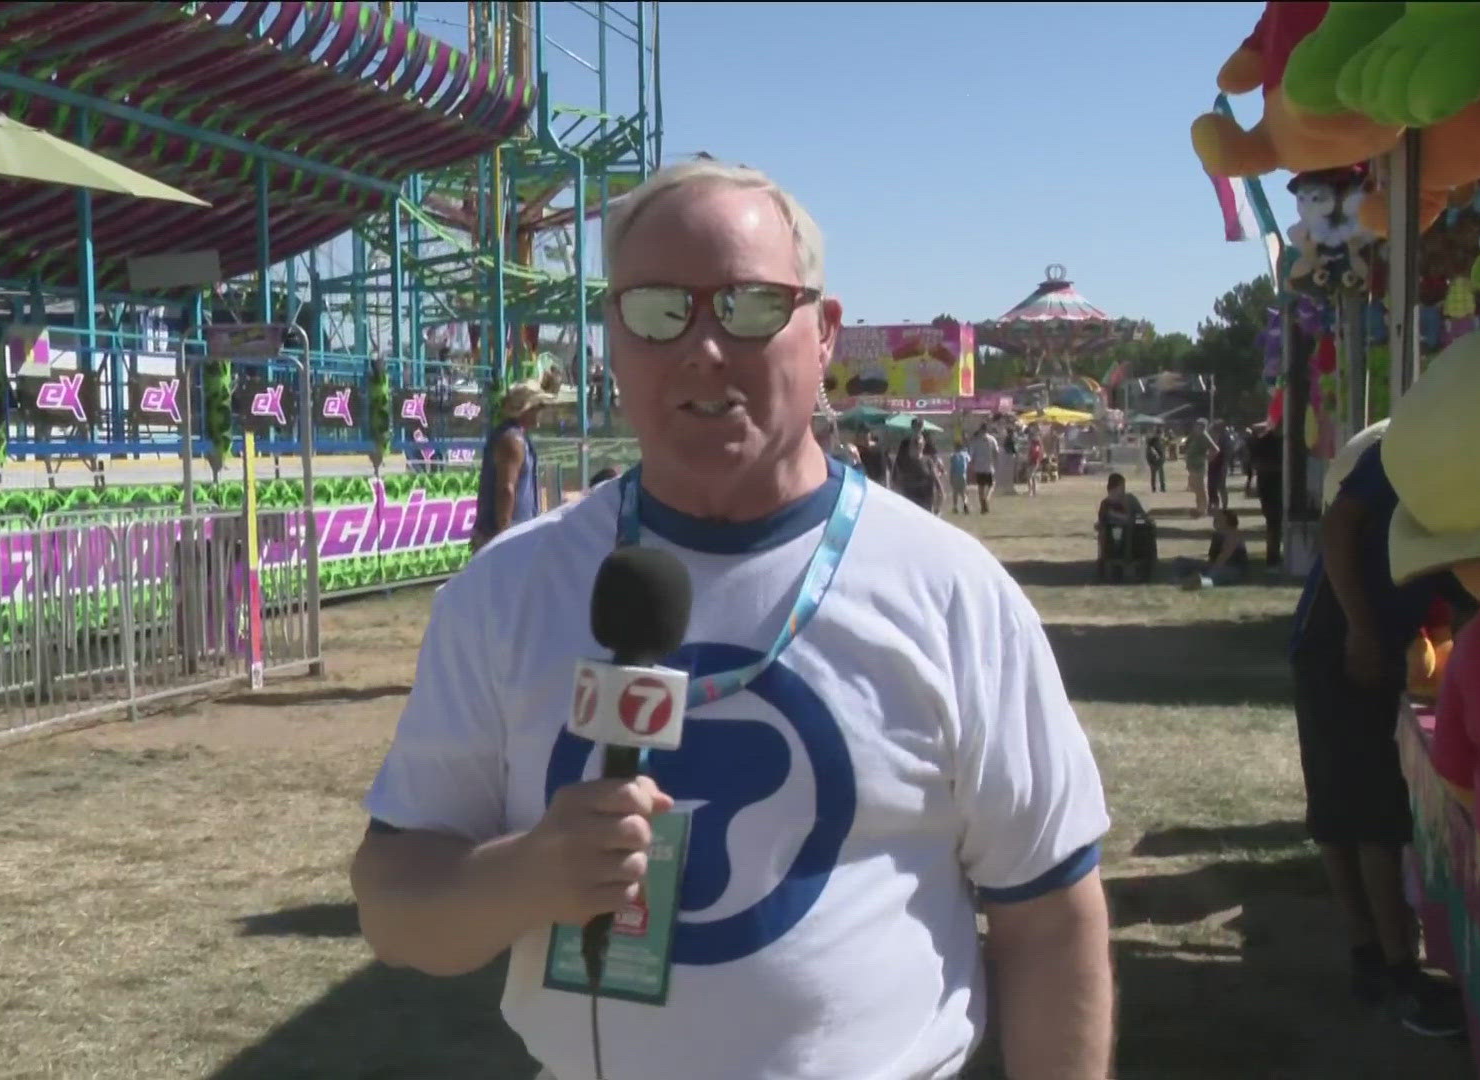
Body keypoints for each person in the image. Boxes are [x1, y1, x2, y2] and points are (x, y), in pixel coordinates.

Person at [353, 158, 1114, 1080]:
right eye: (655, 310)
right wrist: (529, 875)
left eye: (749, 306)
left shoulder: (951, 591)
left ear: (824, 333)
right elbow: (397, 912)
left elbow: (1049, 921)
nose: (702, 348)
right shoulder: (507, 591)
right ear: (612, 339)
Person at [1289, 439, 1468, 1037]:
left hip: (1369, 645)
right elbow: (1338, 528)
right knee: (1368, 812)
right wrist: (1363, 630)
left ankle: (1373, 959)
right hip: (1335, 645)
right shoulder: (1407, 449)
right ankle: (1395, 971)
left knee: (1350, 808)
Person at [470, 380, 554, 552]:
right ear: (526, 408)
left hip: (514, 533)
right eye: (540, 406)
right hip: (504, 535)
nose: (542, 411)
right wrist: (504, 535)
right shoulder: (511, 440)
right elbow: (506, 489)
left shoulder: (516, 437)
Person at [1173, 508, 1250, 588]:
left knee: (1214, 576)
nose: (1215, 520)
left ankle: (1199, 582)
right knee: (1179, 561)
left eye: (1219, 518)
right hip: (1215, 566)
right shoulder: (1218, 534)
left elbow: (1224, 556)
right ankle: (1181, 580)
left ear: (1228, 520)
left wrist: (1211, 570)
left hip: (1232, 570)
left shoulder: (1234, 534)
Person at [1247, 421, 1284, 566]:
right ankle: (1273, 557)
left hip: (1277, 485)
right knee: (1273, 523)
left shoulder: (1286, 442)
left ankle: (1275, 555)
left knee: (1275, 524)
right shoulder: (1264, 442)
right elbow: (1255, 463)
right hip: (1269, 486)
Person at [1182, 420, 1216, 518]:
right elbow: (1187, 446)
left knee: (1201, 489)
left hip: (1200, 466)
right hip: (1192, 466)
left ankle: (1203, 509)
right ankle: (1199, 508)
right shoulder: (1194, 436)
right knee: (1196, 489)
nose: (1195, 427)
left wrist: (1208, 458)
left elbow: (1215, 449)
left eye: (1198, 425)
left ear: (1202, 427)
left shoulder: (1205, 436)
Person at [967, 422, 999, 514]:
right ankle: (986, 499)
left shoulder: (975, 440)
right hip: (989, 466)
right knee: (991, 485)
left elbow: (971, 455)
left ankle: (983, 506)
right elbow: (996, 452)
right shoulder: (992, 439)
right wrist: (995, 461)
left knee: (980, 487)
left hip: (979, 467)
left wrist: (971, 465)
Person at [948, 439, 972, 515]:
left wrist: (950, 477)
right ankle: (965, 503)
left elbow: (952, 467)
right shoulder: (965, 455)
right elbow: (969, 461)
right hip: (963, 475)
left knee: (955, 492)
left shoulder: (953, 455)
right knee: (963, 492)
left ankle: (955, 507)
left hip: (955, 475)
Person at [1144, 429, 1166, 493]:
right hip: (1156, 460)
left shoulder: (1153, 442)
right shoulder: (1156, 441)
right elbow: (1161, 451)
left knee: (1155, 475)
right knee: (1159, 475)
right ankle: (1161, 488)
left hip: (1154, 461)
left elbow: (1148, 452)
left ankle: (1155, 488)